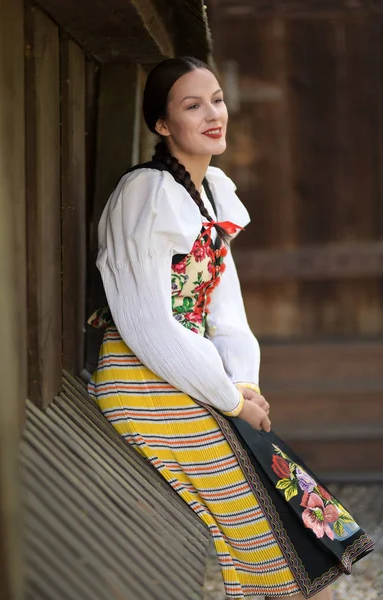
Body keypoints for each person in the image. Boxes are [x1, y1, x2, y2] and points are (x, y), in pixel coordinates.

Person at [88, 57, 374, 599]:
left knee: (298, 501)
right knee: (264, 518)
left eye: (216, 99)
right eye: (192, 105)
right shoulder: (146, 195)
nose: (213, 114)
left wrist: (245, 385)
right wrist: (229, 398)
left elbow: (227, 314)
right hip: (142, 379)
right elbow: (149, 326)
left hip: (189, 378)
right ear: (162, 125)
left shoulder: (212, 192)